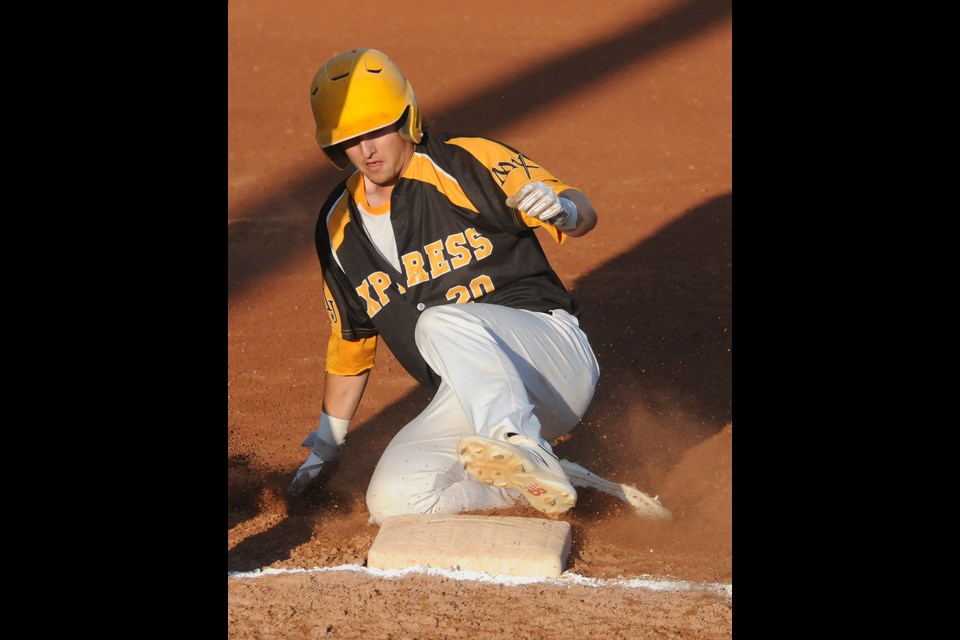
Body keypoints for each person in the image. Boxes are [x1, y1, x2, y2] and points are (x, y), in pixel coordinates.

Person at [288, 47, 614, 524]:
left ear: (408, 118)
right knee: (396, 500)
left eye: (377, 129)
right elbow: (351, 343)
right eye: (351, 140)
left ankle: (524, 448)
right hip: (472, 395)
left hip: (551, 358)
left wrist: (563, 208)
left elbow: (581, 210)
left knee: (437, 321)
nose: (367, 151)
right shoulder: (337, 228)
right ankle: (554, 482)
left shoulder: (465, 163)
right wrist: (325, 446)